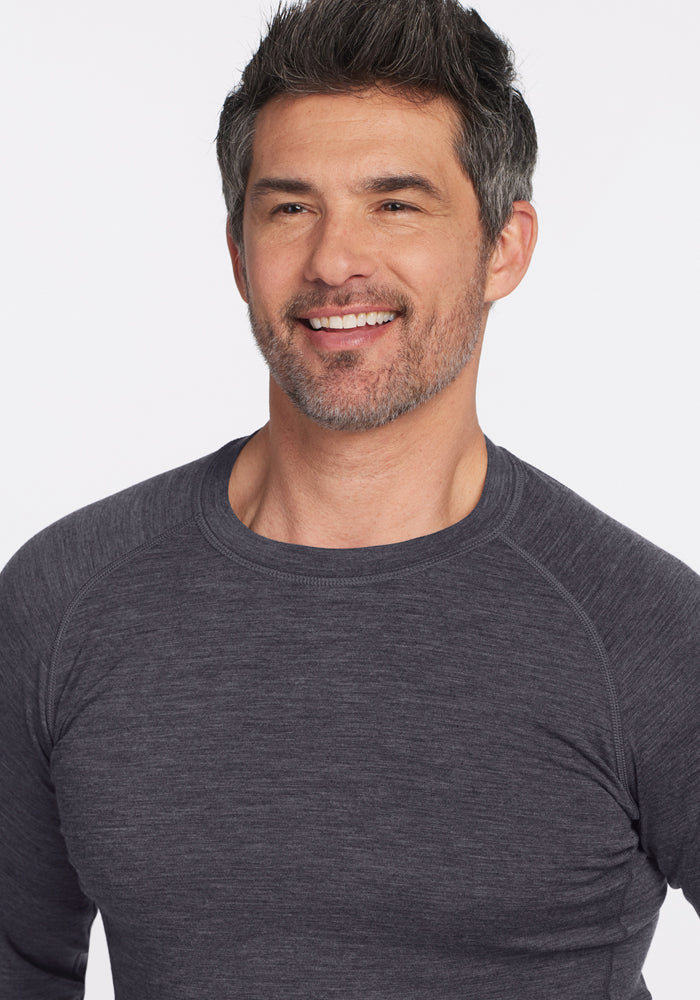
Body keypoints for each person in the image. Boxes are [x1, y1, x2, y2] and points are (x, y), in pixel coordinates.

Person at [1, 0, 697, 996]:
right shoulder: (64, 600)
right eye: (290, 208)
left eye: (395, 204)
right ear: (239, 253)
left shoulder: (642, 629)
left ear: (503, 246)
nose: (333, 261)